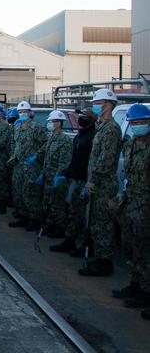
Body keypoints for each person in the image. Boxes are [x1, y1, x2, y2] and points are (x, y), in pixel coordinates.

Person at [79, 89, 124, 277]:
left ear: (107, 104)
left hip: (103, 184)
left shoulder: (112, 129)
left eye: (98, 103)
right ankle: (99, 258)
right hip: (97, 183)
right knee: (96, 223)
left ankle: (105, 262)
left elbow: (106, 159)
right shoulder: (102, 126)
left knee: (104, 224)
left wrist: (93, 179)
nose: (95, 106)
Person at [115, 104, 150, 313]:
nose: (137, 126)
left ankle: (146, 292)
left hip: (146, 203)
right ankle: (136, 284)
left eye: (141, 123)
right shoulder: (131, 145)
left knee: (146, 249)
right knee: (132, 245)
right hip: (131, 201)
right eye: (134, 123)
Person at [50, 111, 97, 254]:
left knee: (86, 216)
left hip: (86, 181)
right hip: (76, 180)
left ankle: (87, 245)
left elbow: (93, 161)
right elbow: (74, 159)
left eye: (85, 118)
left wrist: (90, 180)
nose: (81, 120)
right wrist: (66, 174)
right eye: (80, 118)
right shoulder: (78, 137)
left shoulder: (93, 136)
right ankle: (69, 241)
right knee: (73, 212)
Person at [8, 101, 47, 231]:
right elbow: (15, 144)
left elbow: (45, 143)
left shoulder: (36, 127)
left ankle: (35, 219)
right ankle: (23, 216)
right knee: (18, 191)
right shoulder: (17, 128)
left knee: (30, 193)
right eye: (20, 112)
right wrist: (13, 156)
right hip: (18, 165)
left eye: (25, 112)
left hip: (31, 165)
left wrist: (37, 155)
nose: (22, 114)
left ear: (30, 113)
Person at [41, 111, 74, 238]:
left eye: (52, 122)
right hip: (49, 175)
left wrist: (59, 175)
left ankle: (60, 228)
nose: (50, 124)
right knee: (49, 202)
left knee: (58, 203)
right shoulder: (51, 137)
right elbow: (47, 157)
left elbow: (65, 161)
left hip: (57, 177)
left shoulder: (64, 140)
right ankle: (50, 225)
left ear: (59, 123)